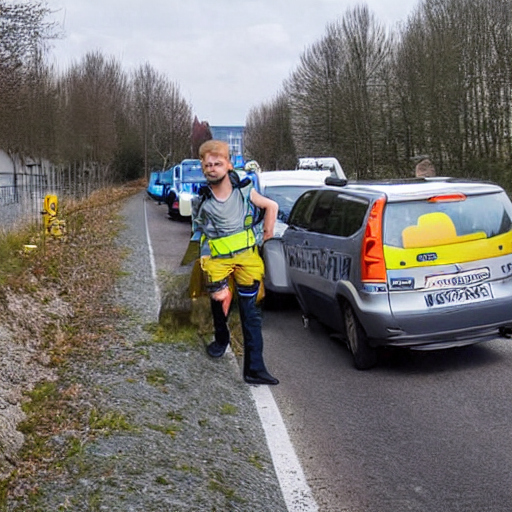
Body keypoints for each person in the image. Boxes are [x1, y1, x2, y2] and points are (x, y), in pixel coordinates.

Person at [192, 140, 279, 385]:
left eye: (217, 164)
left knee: (251, 315)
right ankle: (221, 339)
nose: (212, 168)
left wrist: (267, 236)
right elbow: (198, 233)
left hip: (246, 261)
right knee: (220, 306)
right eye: (207, 165)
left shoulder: (244, 190)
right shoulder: (202, 200)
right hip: (216, 262)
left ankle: (255, 369)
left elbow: (271, 206)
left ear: (229, 165)